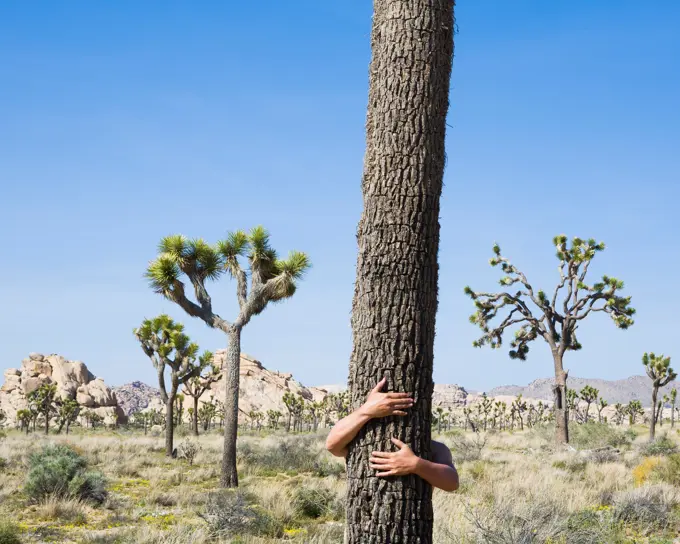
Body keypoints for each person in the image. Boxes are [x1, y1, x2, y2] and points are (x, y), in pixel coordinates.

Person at [325, 378, 459, 492]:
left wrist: (416, 464)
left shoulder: (432, 448)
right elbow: (332, 445)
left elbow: (452, 483)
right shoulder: (361, 437)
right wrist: (366, 410)